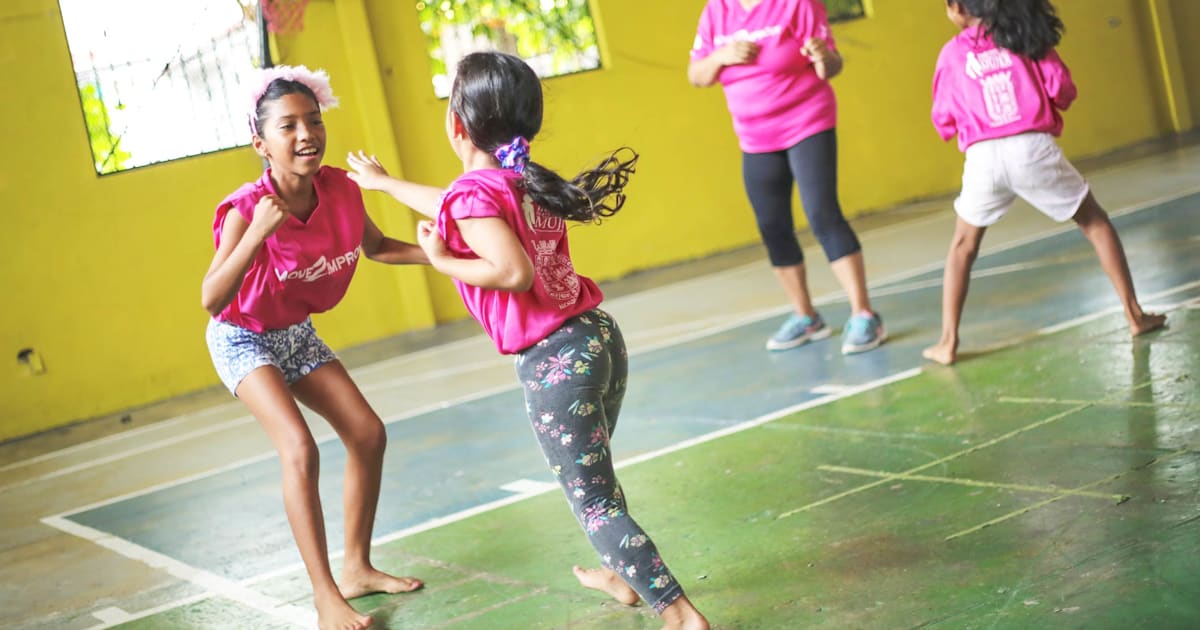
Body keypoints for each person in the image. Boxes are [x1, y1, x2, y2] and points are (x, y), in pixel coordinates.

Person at [346, 52, 710, 630]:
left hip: (555, 361)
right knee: (595, 480)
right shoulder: (519, 182)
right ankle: (620, 575)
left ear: (456, 125)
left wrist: (441, 259)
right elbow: (455, 208)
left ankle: (682, 614)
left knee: (592, 500)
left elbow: (510, 271)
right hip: (598, 341)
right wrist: (383, 185)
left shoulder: (475, 194)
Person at [200, 65, 426, 630]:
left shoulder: (342, 190)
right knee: (299, 448)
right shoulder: (244, 209)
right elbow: (210, 297)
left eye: (314, 121)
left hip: (293, 332)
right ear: (261, 143)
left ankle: (357, 568)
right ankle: (326, 597)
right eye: (288, 125)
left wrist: (447, 257)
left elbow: (378, 247)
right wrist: (255, 234)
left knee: (368, 433)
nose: (307, 134)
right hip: (241, 334)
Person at [922, 0, 1166, 365]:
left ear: (957, 8)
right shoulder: (1025, 35)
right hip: (1031, 147)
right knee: (1095, 223)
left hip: (983, 157)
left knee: (962, 247)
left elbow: (942, 116)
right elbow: (1063, 89)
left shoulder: (951, 53)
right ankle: (1135, 315)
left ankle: (947, 343)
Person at [687, 0, 885, 354]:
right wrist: (721, 56)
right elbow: (696, 76)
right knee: (772, 226)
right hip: (754, 138)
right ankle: (806, 316)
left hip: (807, 122)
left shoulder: (797, 4)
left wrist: (823, 56)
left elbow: (832, 66)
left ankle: (864, 315)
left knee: (822, 214)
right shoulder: (717, 11)